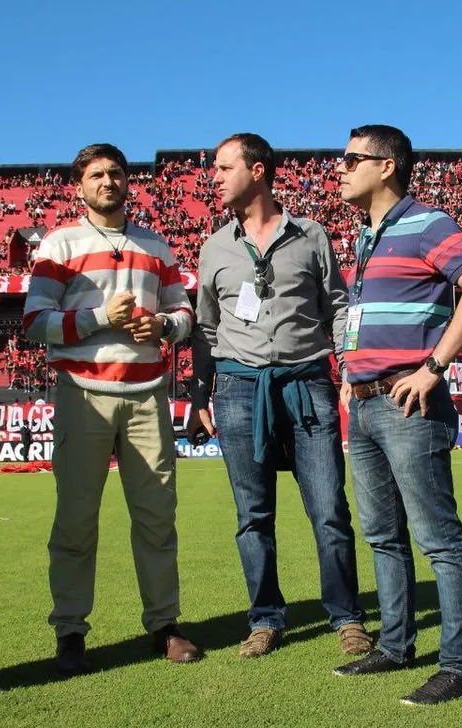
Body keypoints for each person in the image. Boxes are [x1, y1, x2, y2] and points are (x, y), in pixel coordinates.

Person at [332, 125, 462, 705]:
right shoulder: (365, 236)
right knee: (382, 535)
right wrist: (350, 375)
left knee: (438, 539)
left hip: (410, 404)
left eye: (351, 159)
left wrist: (433, 366)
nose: (340, 169)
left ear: (386, 166)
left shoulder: (428, 223)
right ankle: (395, 645)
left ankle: (459, 665)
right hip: (364, 403)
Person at [187, 133, 370, 659]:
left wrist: (349, 368)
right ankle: (265, 618)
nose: (214, 178)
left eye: (224, 168)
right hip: (239, 389)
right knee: (252, 515)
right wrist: (201, 394)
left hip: (307, 384)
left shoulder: (311, 235)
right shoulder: (214, 247)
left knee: (329, 509)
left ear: (258, 171)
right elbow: (206, 326)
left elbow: (338, 307)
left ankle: (346, 616)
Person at [24, 143, 201, 675]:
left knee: (157, 517)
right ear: (80, 185)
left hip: (147, 394)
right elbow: (35, 322)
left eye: (116, 173)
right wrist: (101, 317)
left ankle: (164, 624)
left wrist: (162, 325)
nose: (108, 181)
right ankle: (70, 631)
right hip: (83, 393)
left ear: (128, 181)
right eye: (97, 174)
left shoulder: (155, 243)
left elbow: (184, 313)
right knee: (76, 520)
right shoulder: (60, 242)